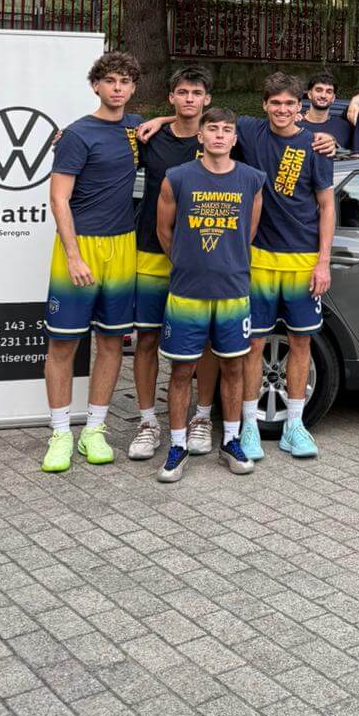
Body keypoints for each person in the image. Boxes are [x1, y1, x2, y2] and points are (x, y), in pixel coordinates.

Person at [41, 50, 143, 473]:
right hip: (80, 247)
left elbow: (188, 124)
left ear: (133, 88)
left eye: (125, 81)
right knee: (63, 344)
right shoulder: (77, 135)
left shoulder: (137, 128)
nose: (117, 88)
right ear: (96, 85)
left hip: (123, 247)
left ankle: (94, 430)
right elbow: (58, 198)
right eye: (110, 81)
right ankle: (60, 433)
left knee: (111, 343)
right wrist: (73, 255)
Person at [153, 109, 265, 482]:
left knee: (233, 367)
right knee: (182, 370)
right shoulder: (177, 177)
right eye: (212, 128)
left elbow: (248, 231)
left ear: (234, 138)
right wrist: (190, 263)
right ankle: (177, 445)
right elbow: (164, 231)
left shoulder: (252, 179)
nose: (219, 135)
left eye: (226, 130)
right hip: (187, 292)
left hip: (233, 290)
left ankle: (231, 440)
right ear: (200, 136)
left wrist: (224, 263)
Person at [232, 75, 335, 460]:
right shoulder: (249, 131)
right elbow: (203, 119)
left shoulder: (316, 145)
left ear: (300, 107)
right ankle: (249, 427)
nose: (282, 110)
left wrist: (323, 262)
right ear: (264, 105)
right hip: (258, 259)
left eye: (289, 104)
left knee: (301, 342)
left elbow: (327, 206)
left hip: (303, 260)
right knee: (254, 344)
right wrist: (160, 120)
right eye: (275, 103)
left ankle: (294, 425)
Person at [129, 65, 213, 462]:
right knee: (146, 339)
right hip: (150, 251)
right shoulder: (150, 137)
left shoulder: (218, 137)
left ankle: (202, 417)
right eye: (182, 92)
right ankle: (147, 422)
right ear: (171, 97)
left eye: (196, 93)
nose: (189, 99)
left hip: (201, 258)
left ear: (207, 99)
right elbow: (111, 132)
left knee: (205, 342)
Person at [302, 69, 352, 149]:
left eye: (329, 92)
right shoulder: (294, 125)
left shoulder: (344, 126)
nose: (323, 95)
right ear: (310, 94)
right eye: (319, 90)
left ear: (333, 98)